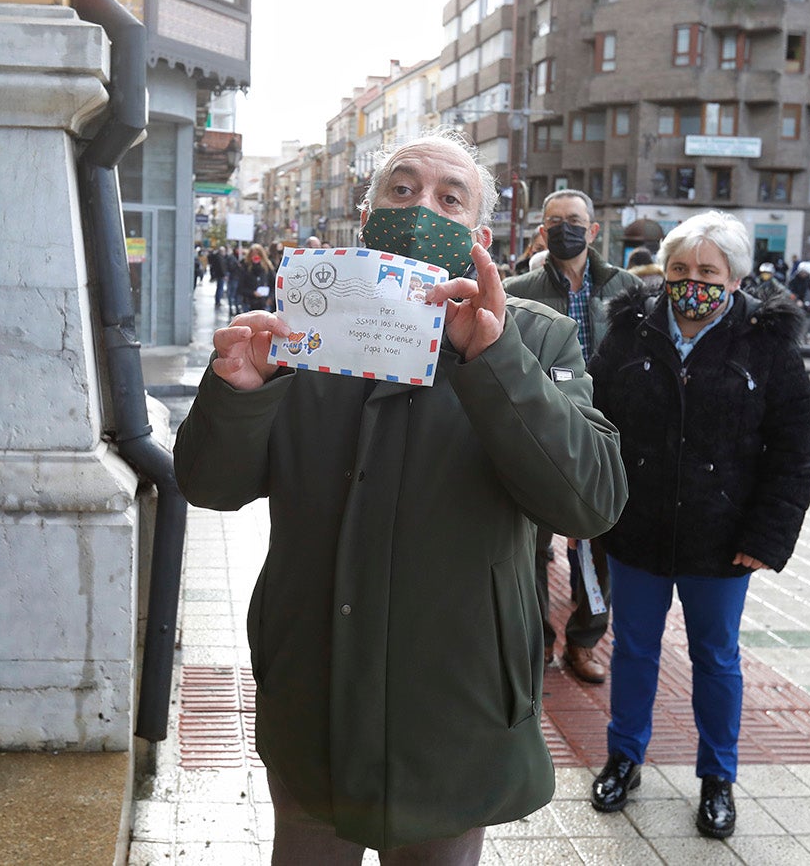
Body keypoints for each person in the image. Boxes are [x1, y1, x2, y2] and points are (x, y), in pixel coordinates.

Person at [174, 130, 628, 863]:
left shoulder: (534, 338)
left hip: (454, 698)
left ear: (478, 237)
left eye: (450, 198)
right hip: (312, 685)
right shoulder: (302, 333)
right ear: (368, 214)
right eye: (402, 189)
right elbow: (209, 485)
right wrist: (237, 396)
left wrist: (494, 358)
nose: (422, 207)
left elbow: (590, 501)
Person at [586, 211, 810, 840]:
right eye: (680, 269)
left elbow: (793, 453)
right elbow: (595, 424)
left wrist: (765, 539)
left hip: (723, 539)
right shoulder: (630, 332)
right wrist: (594, 509)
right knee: (633, 649)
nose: (692, 281)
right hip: (638, 529)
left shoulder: (765, 345)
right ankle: (624, 758)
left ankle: (717, 777)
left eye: (708, 271)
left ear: (736, 278)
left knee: (716, 658)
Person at [503, 190, 643, 685]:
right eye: (555, 221)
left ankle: (584, 640)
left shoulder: (627, 289)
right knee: (531, 546)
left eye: (575, 220)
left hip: (606, 435)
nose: (566, 228)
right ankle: (538, 640)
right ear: (542, 231)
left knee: (599, 542)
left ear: (594, 229)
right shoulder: (516, 289)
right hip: (542, 433)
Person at [240, 242, 276, 312]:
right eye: (253, 254)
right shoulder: (245, 267)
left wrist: (270, 297)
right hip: (249, 303)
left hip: (264, 303)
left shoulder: (268, 267)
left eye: (258, 254)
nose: (255, 256)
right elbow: (241, 288)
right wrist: (253, 293)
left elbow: (274, 284)